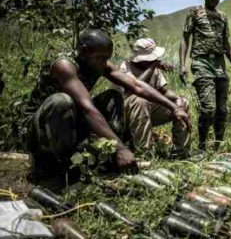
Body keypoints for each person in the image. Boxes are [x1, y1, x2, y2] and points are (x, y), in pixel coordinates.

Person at [23, 29, 190, 181]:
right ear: (85, 51)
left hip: (71, 119)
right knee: (61, 101)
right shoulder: (64, 66)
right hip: (39, 129)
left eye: (107, 58)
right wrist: (121, 148)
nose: (104, 63)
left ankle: (106, 155)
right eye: (102, 58)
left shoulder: (96, 61)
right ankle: (59, 167)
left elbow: (137, 86)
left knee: (113, 96)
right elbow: (87, 108)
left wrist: (174, 107)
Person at [179, 0, 231, 152]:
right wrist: (182, 65)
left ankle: (218, 146)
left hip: (219, 64)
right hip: (201, 62)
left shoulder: (222, 17)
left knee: (222, 109)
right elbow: (185, 39)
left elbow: (226, 44)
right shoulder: (194, 13)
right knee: (209, 108)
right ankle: (201, 146)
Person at [118, 38, 190, 159]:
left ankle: (180, 152)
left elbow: (165, 91)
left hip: (146, 110)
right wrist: (152, 66)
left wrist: (178, 99)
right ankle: (144, 154)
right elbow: (136, 86)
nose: (154, 60)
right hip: (124, 114)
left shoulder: (153, 69)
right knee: (140, 101)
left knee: (183, 103)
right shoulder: (125, 66)